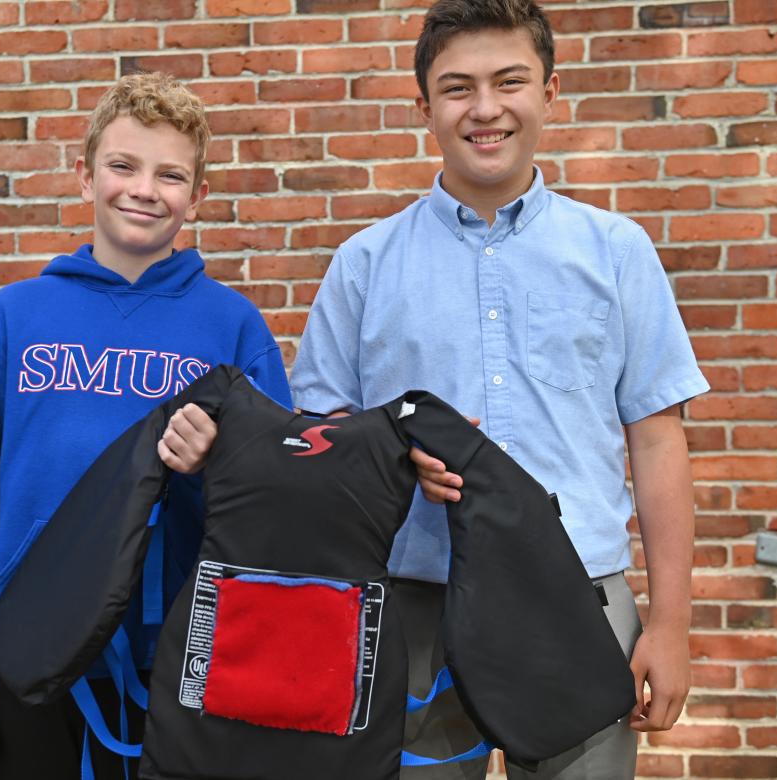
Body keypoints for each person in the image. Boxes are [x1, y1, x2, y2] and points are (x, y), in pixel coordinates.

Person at [289, 1, 710, 777]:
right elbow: (318, 436)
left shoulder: (616, 252)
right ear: (424, 107)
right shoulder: (365, 264)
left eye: (509, 81)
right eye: (457, 88)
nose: (485, 109)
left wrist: (672, 625)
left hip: (578, 599)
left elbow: (657, 442)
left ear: (550, 92)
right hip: (414, 602)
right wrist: (388, 454)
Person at [0, 72, 292, 779]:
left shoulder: (234, 327)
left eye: (170, 174)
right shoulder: (13, 319)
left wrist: (219, 463)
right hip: (31, 646)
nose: (144, 189)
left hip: (184, 658)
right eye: (122, 165)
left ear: (198, 196)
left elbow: (276, 511)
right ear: (85, 177)